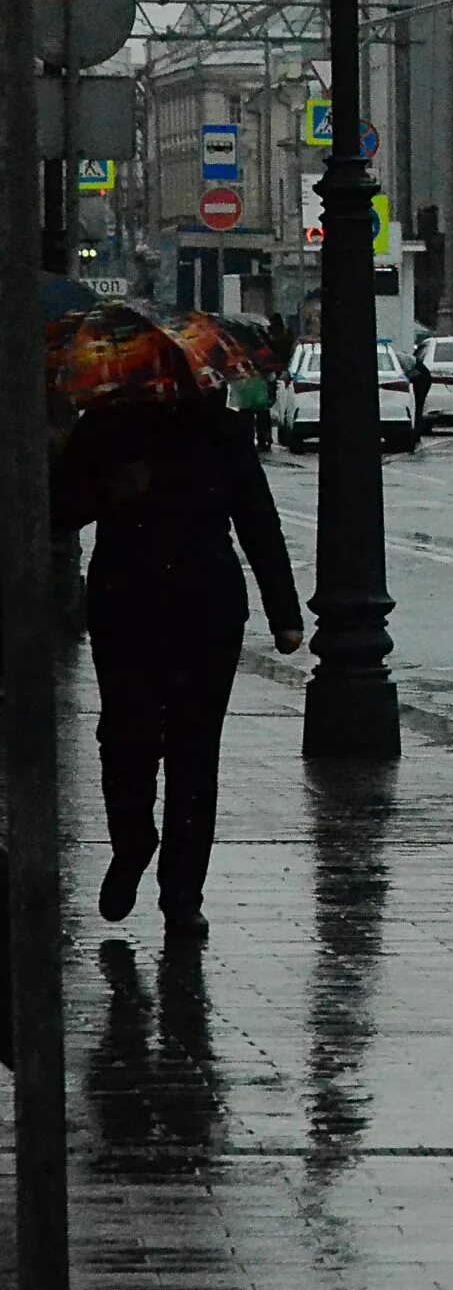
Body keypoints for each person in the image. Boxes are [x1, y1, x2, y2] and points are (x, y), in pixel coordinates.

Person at [54, 396, 304, 938]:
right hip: (127, 605)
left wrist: (285, 613)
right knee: (125, 735)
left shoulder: (219, 428)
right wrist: (111, 489)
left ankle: (182, 894)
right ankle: (132, 842)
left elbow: (257, 519)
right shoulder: (106, 425)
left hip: (205, 607)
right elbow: (56, 508)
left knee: (194, 751)